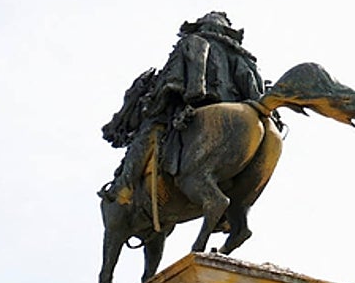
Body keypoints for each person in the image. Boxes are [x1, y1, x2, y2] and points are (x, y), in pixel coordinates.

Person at [100, 11, 266, 204]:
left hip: (193, 105)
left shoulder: (191, 42)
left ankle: (123, 189)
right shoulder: (239, 54)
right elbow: (252, 86)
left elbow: (175, 83)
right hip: (234, 105)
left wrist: (156, 102)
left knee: (148, 133)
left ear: (201, 26)